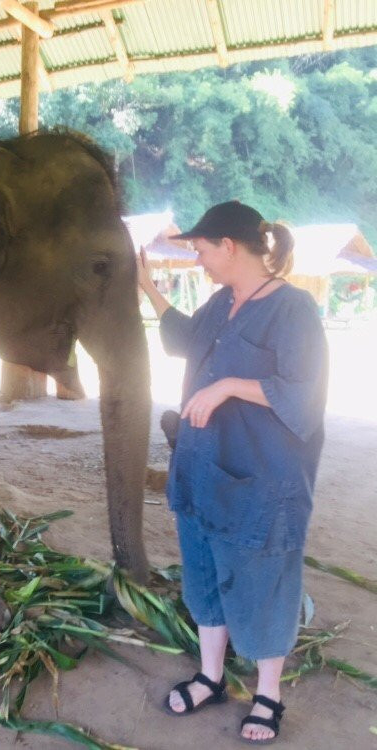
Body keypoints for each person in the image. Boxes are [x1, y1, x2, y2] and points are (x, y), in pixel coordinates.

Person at [136, 201, 328, 745]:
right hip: (203, 471)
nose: (197, 259)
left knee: (265, 583)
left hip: (263, 483)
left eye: (200, 249)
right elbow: (183, 339)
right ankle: (211, 678)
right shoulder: (222, 304)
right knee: (203, 578)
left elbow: (303, 397)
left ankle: (269, 695)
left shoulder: (294, 310)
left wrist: (229, 387)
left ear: (229, 246)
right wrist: (147, 289)